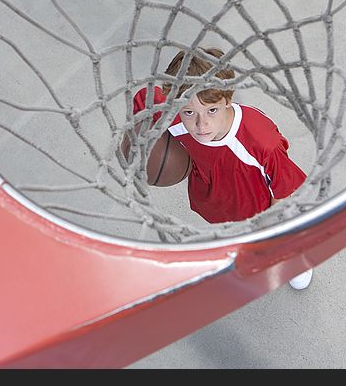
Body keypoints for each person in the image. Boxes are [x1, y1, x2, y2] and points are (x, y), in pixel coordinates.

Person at [132, 47, 313, 290]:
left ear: (227, 99)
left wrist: (273, 227)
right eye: (189, 112)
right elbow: (144, 100)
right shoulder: (172, 111)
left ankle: (295, 254)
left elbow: (284, 192)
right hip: (215, 191)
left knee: (277, 233)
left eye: (212, 110)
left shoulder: (261, 143)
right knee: (230, 228)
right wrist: (138, 142)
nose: (201, 124)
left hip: (258, 201)